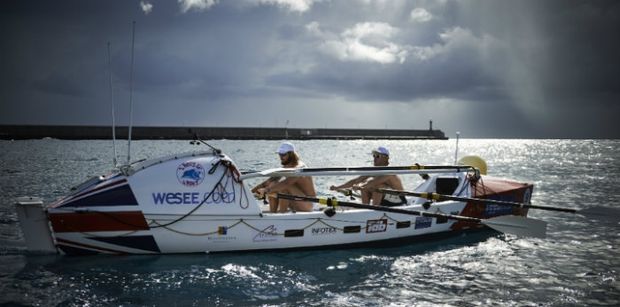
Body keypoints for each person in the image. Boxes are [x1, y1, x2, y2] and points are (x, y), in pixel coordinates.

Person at [329, 146, 407, 206]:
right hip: (385, 199)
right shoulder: (374, 170)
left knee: (377, 186)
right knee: (365, 187)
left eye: (377, 156)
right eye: (374, 155)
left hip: (399, 200)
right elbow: (356, 181)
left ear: (385, 158)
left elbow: (374, 182)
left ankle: (374, 210)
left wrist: (360, 186)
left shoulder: (390, 173)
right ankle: (365, 209)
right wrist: (338, 187)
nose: (374, 158)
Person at [251, 142, 317, 213]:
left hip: (308, 203)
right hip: (296, 200)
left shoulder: (299, 167)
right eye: (279, 154)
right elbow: (267, 182)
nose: (281, 157)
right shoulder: (286, 167)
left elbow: (286, 183)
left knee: (283, 187)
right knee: (273, 183)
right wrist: (249, 193)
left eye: (283, 155)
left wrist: (266, 190)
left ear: (291, 154)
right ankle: (273, 213)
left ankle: (282, 213)